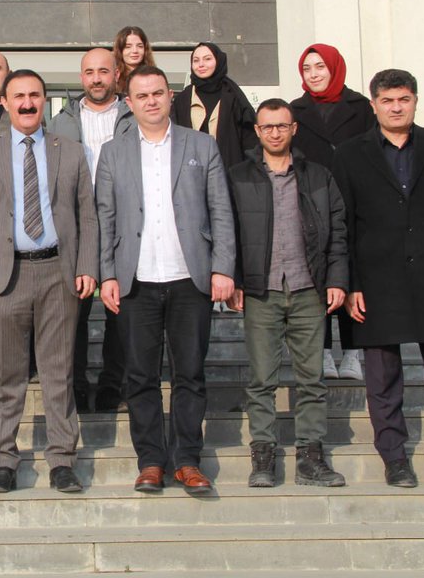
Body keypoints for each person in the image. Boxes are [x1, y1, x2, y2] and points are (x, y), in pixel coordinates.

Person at [332, 69, 424, 489]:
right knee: (381, 376)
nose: (396, 107)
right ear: (374, 104)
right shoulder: (350, 153)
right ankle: (394, 456)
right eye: (388, 100)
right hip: (375, 280)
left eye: (404, 99)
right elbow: (344, 224)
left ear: (415, 101)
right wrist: (350, 282)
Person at [0, 69, 98, 495]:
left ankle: (61, 459)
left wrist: (87, 264)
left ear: (45, 101)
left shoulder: (71, 151)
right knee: (6, 375)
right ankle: (4, 459)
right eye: (18, 96)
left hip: (58, 271)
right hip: (6, 274)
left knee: (58, 374)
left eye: (34, 95)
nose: (26, 103)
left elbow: (87, 214)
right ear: (5, 102)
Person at [96, 65, 235, 496]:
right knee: (140, 376)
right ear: (130, 102)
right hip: (136, 279)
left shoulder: (201, 145)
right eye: (142, 96)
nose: (151, 101)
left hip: (188, 277)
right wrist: (106, 274)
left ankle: (188, 461)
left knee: (190, 373)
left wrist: (223, 267)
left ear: (169, 96)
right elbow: (105, 218)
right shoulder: (112, 152)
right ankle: (151, 461)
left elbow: (221, 211)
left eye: (158, 93)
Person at [226, 98, 348, 489]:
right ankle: (263, 454)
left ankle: (311, 455)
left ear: (294, 129)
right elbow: (227, 231)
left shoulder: (318, 176)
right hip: (260, 291)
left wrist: (337, 280)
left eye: (282, 126)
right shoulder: (239, 176)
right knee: (261, 379)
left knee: (312, 378)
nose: (275, 133)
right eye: (267, 127)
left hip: (308, 287)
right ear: (257, 131)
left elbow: (339, 232)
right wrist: (234, 279)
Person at [50, 46, 134, 413]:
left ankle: (115, 384)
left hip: (126, 222)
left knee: (124, 310)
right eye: (89, 72)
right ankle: (77, 386)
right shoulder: (61, 121)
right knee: (74, 311)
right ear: (81, 77)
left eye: (104, 71)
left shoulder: (132, 117)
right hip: (77, 225)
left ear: (117, 74)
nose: (96, 79)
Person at [290, 43, 377, 381]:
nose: (314, 74)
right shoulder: (295, 109)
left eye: (320, 67)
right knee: (316, 275)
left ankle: (354, 352)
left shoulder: (360, 107)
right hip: (311, 201)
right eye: (307, 69)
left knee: (353, 274)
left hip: (355, 198)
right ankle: (323, 351)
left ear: (334, 68)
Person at [172, 42, 258, 171]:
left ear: (218, 61)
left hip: (229, 172)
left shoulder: (233, 96)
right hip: (190, 172)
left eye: (207, 59)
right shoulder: (183, 99)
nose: (201, 64)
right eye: (196, 60)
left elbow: (249, 138)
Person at [111, 25, 156, 96]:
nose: (134, 51)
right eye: (128, 47)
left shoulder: (155, 76)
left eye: (139, 46)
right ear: (120, 50)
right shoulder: (112, 78)